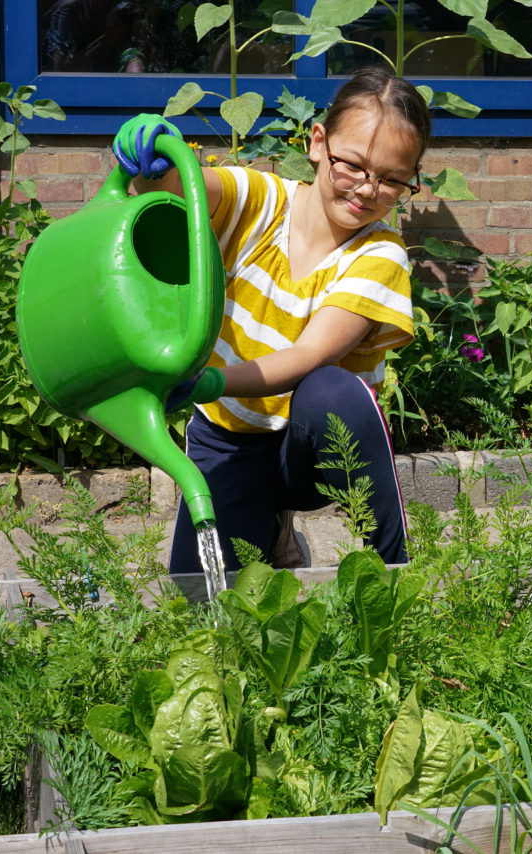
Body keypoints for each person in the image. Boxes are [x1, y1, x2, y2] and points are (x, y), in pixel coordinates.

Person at [110, 65, 428, 574]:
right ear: (318, 142)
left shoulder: (381, 254)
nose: (368, 190)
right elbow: (171, 195)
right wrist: (152, 160)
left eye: (392, 180)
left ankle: (399, 572)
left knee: (333, 389)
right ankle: (270, 529)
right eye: (352, 165)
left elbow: (308, 356)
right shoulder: (257, 200)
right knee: (202, 593)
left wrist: (204, 381)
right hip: (230, 435)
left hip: (311, 449)